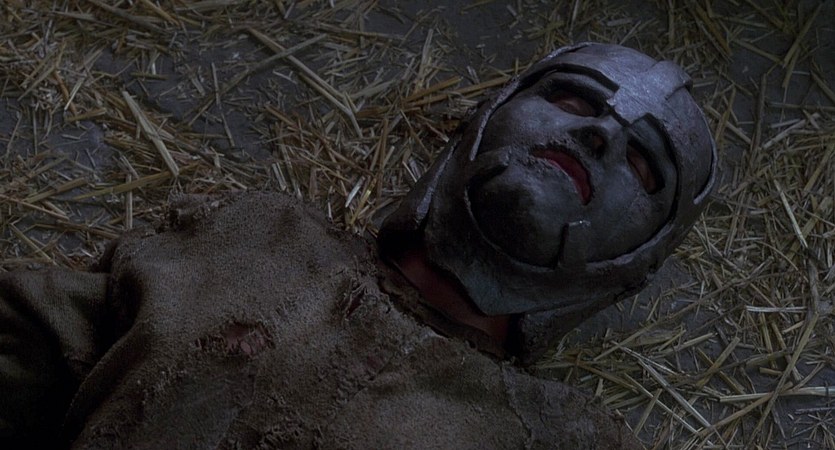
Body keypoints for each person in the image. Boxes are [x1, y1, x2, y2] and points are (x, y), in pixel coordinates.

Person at [0, 42, 715, 449]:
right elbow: (37, 339)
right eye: (572, 99)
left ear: (638, 262)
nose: (598, 134)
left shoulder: (558, 437)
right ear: (481, 118)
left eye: (643, 163)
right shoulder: (259, 237)